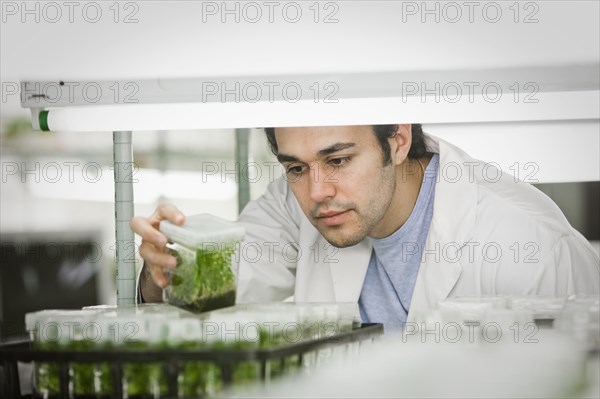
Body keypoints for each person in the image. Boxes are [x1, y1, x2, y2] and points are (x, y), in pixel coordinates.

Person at [131, 124, 600, 330]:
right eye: (295, 167)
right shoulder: (298, 201)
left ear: (397, 140)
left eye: (338, 160)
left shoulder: (530, 245)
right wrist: (164, 275)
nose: (317, 192)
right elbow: (221, 289)